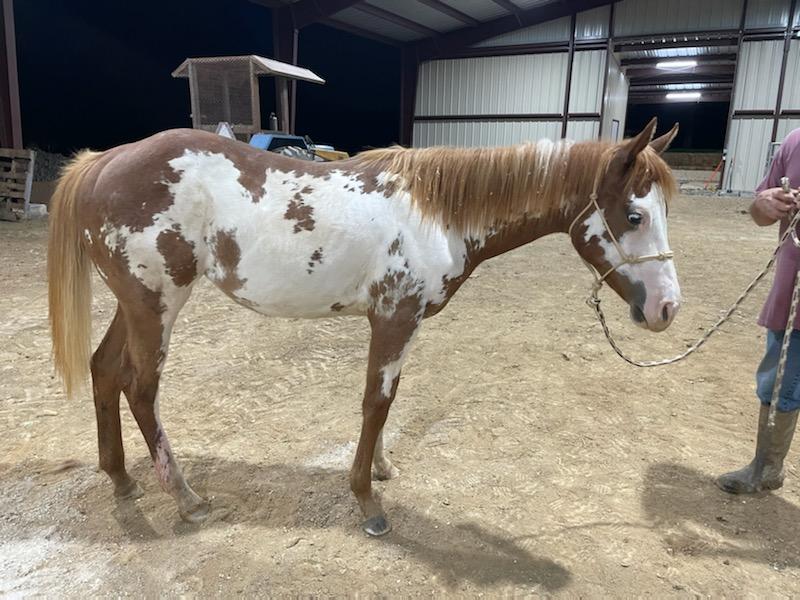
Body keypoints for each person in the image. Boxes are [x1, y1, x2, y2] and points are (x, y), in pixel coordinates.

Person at [717, 128, 800, 494]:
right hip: (792, 293)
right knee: (777, 383)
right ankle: (767, 465)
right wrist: (765, 204)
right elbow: (758, 214)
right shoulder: (795, 142)